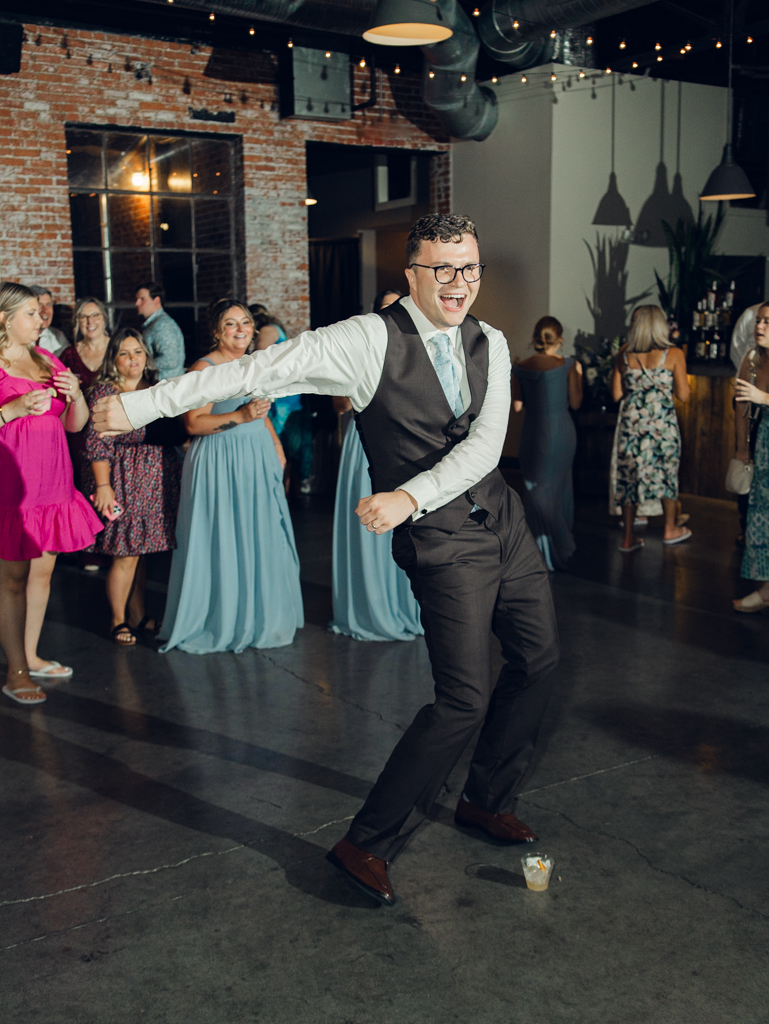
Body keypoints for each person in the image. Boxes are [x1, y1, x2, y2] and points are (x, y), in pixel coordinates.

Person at [93, 213, 559, 906]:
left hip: (506, 527)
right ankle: (362, 844)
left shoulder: (487, 339)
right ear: (411, 274)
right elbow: (257, 368)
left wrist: (408, 494)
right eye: (443, 269)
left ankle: (484, 797)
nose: (460, 284)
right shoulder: (364, 340)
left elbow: (487, 446)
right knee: (462, 700)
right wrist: (140, 406)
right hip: (445, 546)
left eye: (471, 268)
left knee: (540, 661)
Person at [159, 300, 303, 654]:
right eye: (231, 324)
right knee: (225, 534)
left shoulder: (251, 364)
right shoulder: (204, 368)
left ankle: (258, 617)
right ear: (216, 331)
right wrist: (240, 417)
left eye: (245, 323)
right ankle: (223, 619)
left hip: (256, 457)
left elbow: (262, 412)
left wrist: (277, 449)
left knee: (260, 533)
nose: (240, 330)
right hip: (220, 461)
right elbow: (192, 423)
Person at [0, 283, 101, 705]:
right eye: (30, 314)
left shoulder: (46, 358)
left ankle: (31, 654)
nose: (41, 320)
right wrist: (13, 410)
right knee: (13, 579)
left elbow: (75, 424)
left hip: (52, 484)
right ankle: (16, 671)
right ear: (4, 319)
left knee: (43, 573)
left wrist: (76, 396)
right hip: (13, 488)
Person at [330, 289, 423, 641]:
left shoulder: (425, 349)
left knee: (410, 529)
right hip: (366, 444)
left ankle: (411, 605)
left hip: (409, 448)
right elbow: (339, 405)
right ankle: (371, 608)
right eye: (385, 309)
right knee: (369, 529)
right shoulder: (358, 349)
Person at [82, 329, 180, 646]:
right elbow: (97, 445)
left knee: (141, 554)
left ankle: (138, 615)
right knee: (125, 553)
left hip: (155, 481)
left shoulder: (155, 389)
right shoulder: (104, 393)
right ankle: (117, 620)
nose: (133, 359)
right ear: (113, 359)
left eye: (137, 351)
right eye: (124, 353)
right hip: (123, 479)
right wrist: (103, 486)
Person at [610, 305, 692, 553]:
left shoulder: (624, 355)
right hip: (662, 429)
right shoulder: (674, 354)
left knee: (629, 479)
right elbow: (684, 395)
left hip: (632, 429)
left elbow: (616, 395)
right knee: (667, 476)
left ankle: (628, 537)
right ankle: (670, 529)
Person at [512, 315, 582, 571]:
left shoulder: (520, 367)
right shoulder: (569, 365)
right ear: (560, 339)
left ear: (535, 338)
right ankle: (560, 544)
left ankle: (536, 552)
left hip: (532, 432)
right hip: (561, 431)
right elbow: (575, 403)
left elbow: (517, 407)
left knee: (533, 490)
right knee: (557, 487)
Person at [252, 303, 314, 494]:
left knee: (280, 448)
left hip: (282, 402)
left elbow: (258, 359)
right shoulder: (276, 329)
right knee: (284, 450)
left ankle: (281, 492)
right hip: (286, 399)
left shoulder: (267, 330)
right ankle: (285, 492)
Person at [733, 301, 769, 612]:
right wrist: (741, 448)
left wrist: (764, 398)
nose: (759, 327)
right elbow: (741, 406)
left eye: (767, 322)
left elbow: (756, 398)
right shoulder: (753, 358)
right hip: (762, 447)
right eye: (759, 320)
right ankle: (765, 591)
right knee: (761, 519)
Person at [135, 282, 186, 380]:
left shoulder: (162, 325)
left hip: (166, 386)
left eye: (142, 299)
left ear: (156, 300)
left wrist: (142, 364)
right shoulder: (156, 324)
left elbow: (170, 360)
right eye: (137, 299)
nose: (137, 303)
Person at [30, 286, 69, 357]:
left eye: (48, 305)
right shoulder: (19, 337)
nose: (45, 310)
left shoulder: (59, 337)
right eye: (39, 305)